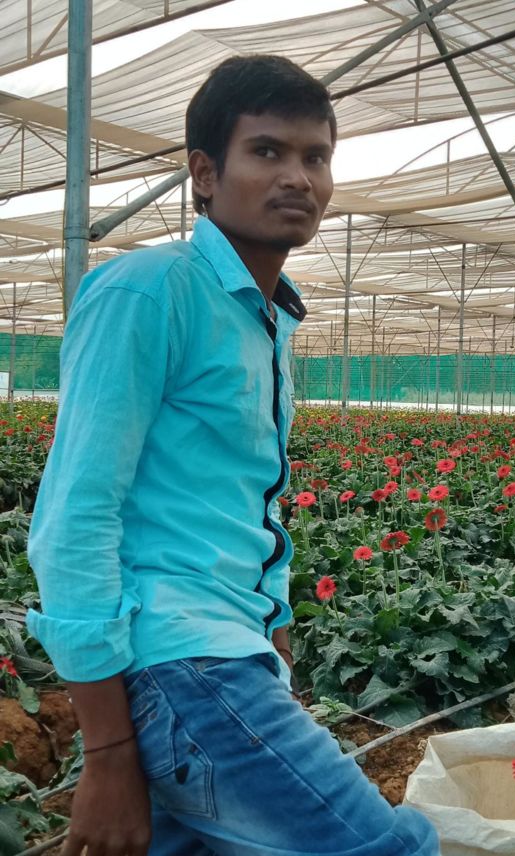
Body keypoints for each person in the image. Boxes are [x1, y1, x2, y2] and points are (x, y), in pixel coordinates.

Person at [27, 55, 440, 856]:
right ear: (205, 173)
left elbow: (250, 503)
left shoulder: (266, 320)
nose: (298, 177)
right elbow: (74, 517)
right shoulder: (150, 290)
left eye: (316, 157)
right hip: (182, 662)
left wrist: (273, 636)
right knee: (389, 847)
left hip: (225, 657)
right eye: (267, 151)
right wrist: (107, 752)